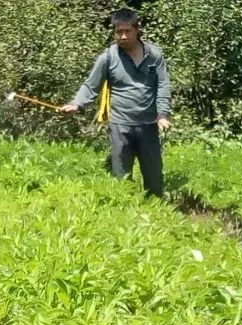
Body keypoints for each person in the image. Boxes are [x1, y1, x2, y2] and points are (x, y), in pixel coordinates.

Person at [60, 8, 172, 197]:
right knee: (121, 178)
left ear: (138, 29)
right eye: (118, 32)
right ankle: (124, 213)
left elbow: (162, 86)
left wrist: (162, 115)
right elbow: (91, 85)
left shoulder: (154, 55)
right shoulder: (108, 57)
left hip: (148, 125)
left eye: (127, 31)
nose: (122, 36)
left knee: (154, 178)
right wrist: (77, 103)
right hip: (120, 127)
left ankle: (156, 214)